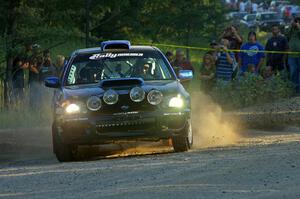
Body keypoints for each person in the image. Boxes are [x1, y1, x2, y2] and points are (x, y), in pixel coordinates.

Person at [287, 17, 300, 93]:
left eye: (297, 21)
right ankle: (294, 91)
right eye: (295, 21)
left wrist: (299, 26)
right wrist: (291, 26)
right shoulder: (292, 30)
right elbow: (286, 34)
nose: (296, 23)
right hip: (292, 55)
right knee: (293, 72)